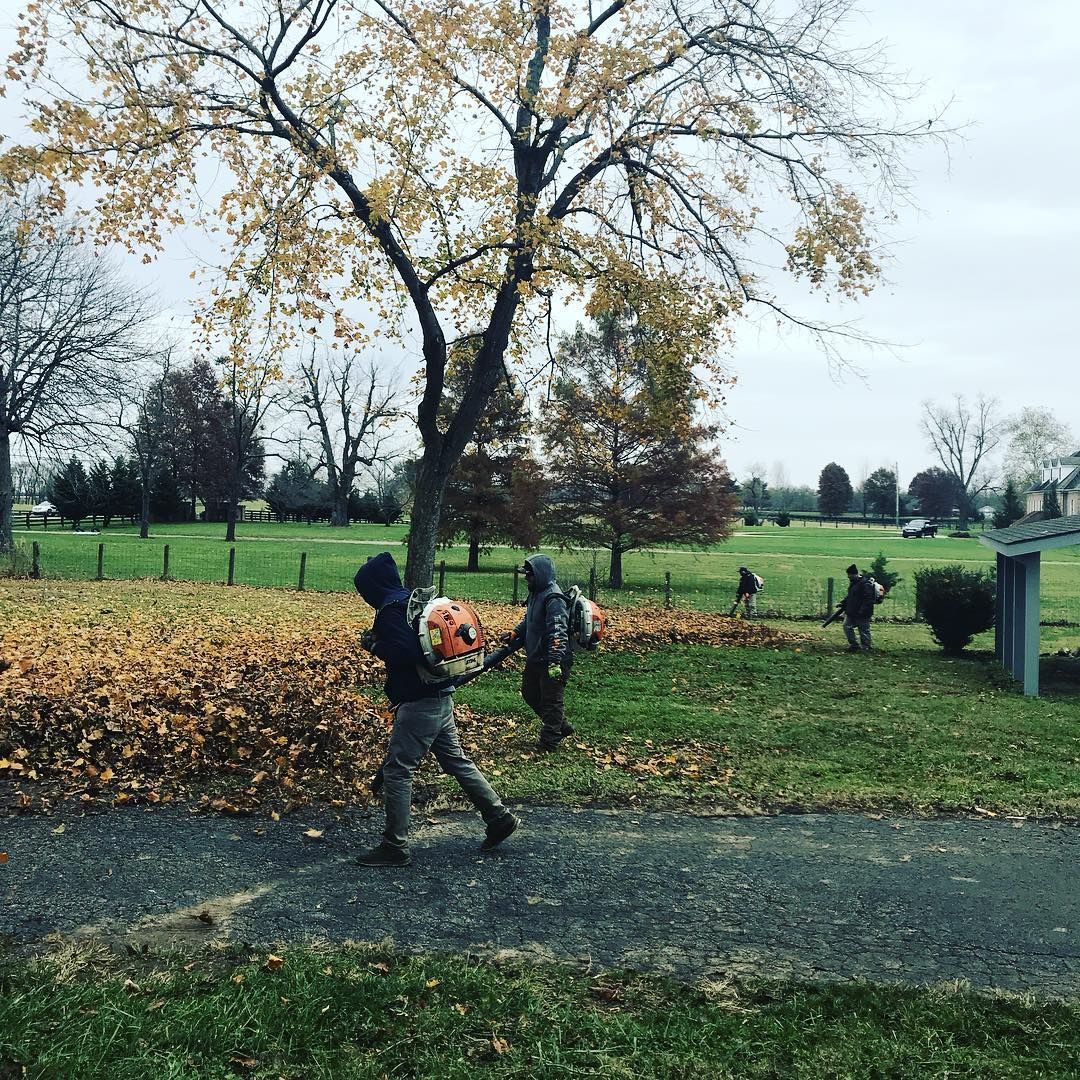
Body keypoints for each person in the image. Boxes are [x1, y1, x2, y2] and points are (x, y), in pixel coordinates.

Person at [353, 552, 519, 867]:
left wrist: (375, 646)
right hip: (441, 696)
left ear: (372, 588)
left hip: (419, 704)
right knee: (457, 761)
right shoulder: (412, 602)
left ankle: (394, 846)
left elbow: (405, 652)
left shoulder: (390, 611)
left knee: (399, 771)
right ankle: (498, 817)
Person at [503, 553, 573, 752]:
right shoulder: (535, 593)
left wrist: (554, 661)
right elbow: (529, 620)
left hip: (552, 659)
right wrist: (516, 632)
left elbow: (558, 630)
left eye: (530, 575)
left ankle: (549, 742)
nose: (527, 579)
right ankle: (560, 726)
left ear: (541, 575)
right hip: (536, 657)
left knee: (552, 701)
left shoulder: (554, 597)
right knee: (529, 693)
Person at [842, 562, 876, 653]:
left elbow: (868, 599)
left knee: (863, 630)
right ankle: (854, 645)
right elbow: (851, 596)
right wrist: (844, 603)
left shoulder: (865, 584)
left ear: (854, 574)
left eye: (849, 575)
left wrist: (862, 610)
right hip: (852, 611)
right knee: (846, 626)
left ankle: (866, 647)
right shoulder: (854, 583)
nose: (848, 577)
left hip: (862, 612)